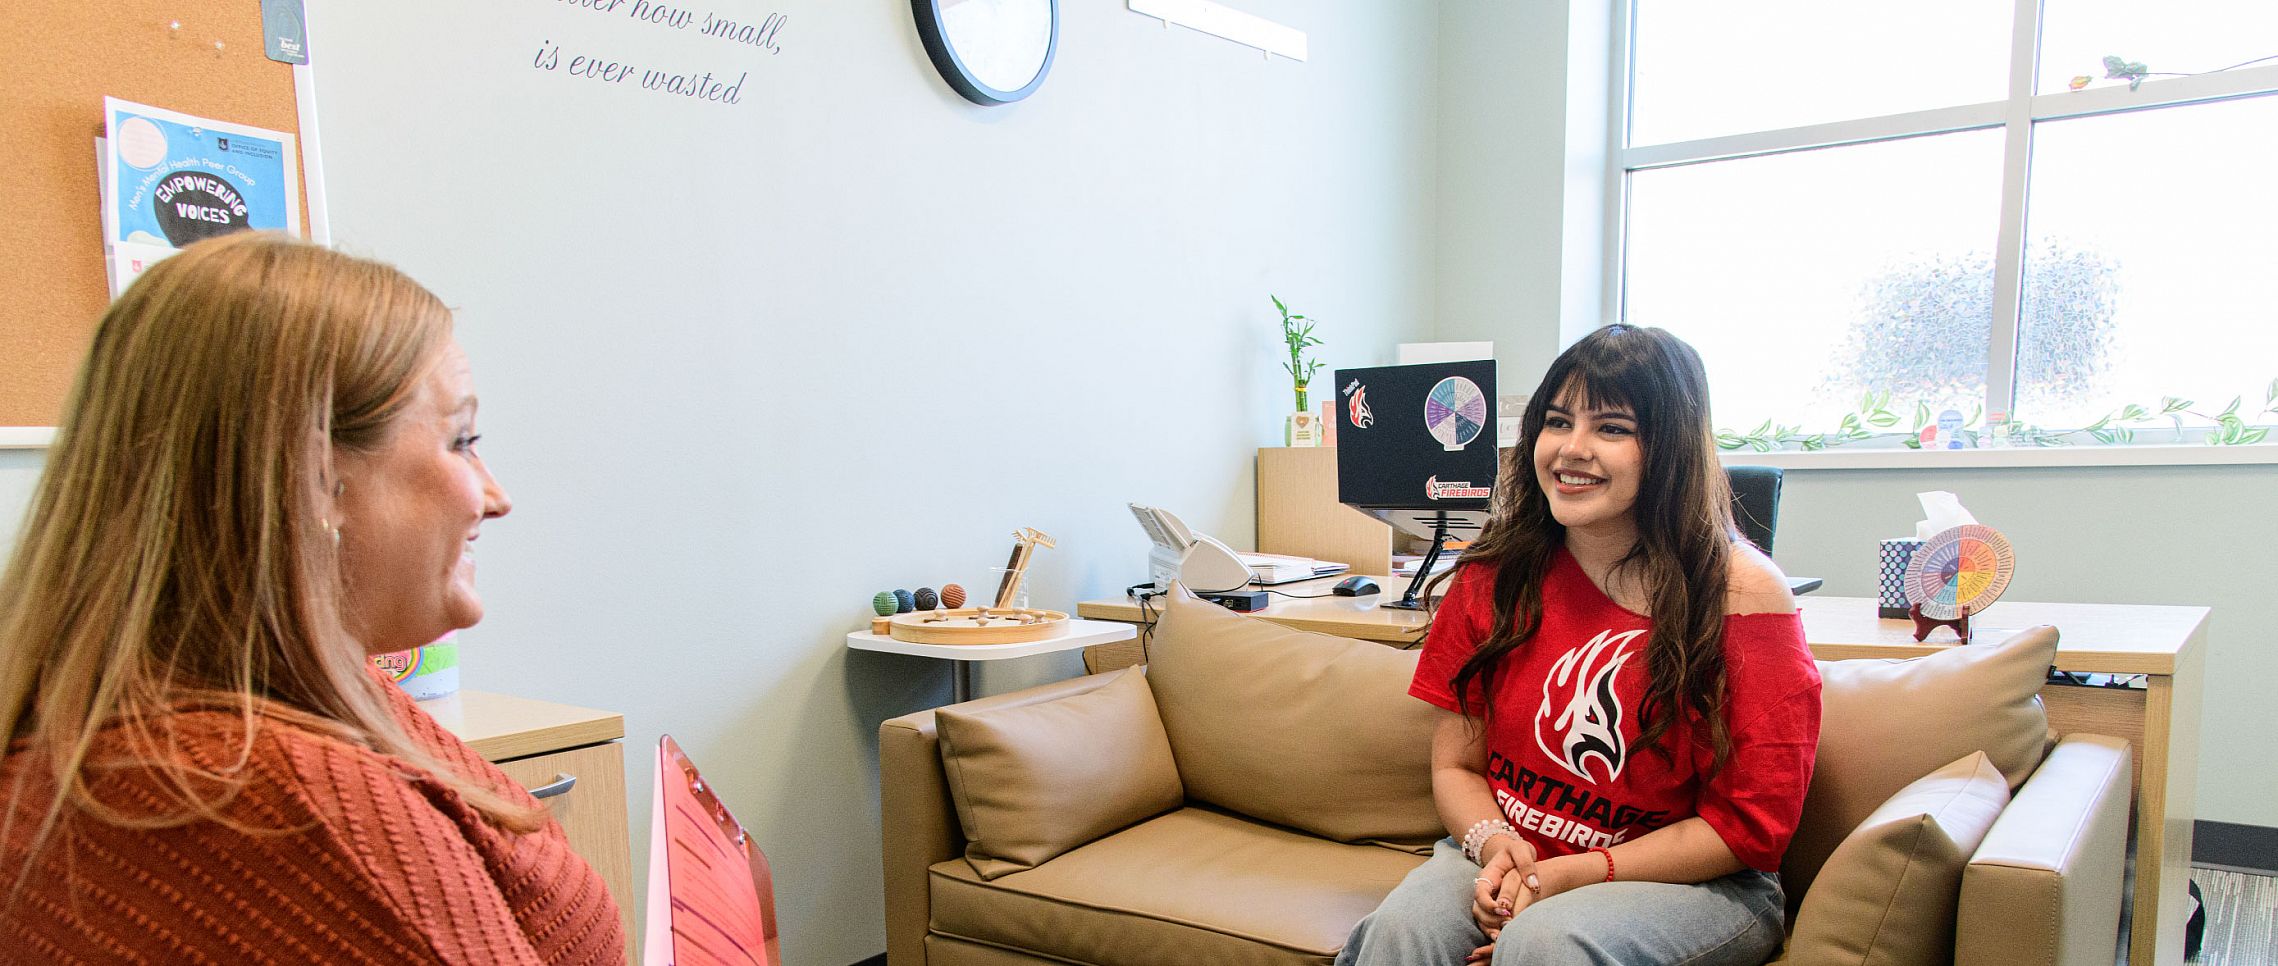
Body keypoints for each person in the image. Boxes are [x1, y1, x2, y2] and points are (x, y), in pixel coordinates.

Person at [0, 232, 625, 963]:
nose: (495, 496)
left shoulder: (242, 697)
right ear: (315, 478)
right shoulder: (292, 809)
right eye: (460, 440)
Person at [1337, 324, 1821, 966]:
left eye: (1612, 428)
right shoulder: (1491, 575)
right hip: (1514, 851)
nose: (1571, 449)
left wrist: (1569, 879)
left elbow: (1748, 830)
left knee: (1545, 946)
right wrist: (1492, 843)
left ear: (1670, 447)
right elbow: (1457, 766)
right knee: (1400, 936)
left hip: (1694, 883)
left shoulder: (1746, 595)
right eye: (1558, 421)